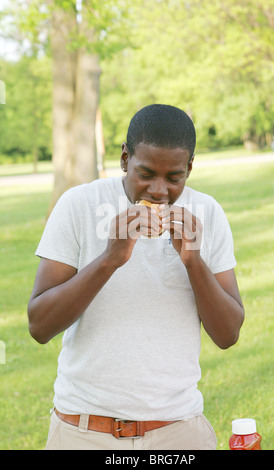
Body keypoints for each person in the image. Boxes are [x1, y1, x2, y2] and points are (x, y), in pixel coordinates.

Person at [28, 104, 244, 450]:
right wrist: (109, 260)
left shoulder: (209, 214)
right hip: (83, 430)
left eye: (174, 177)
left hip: (178, 429)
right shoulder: (79, 205)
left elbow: (228, 334)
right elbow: (39, 326)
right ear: (125, 159)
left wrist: (193, 262)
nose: (158, 191)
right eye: (145, 173)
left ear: (189, 168)